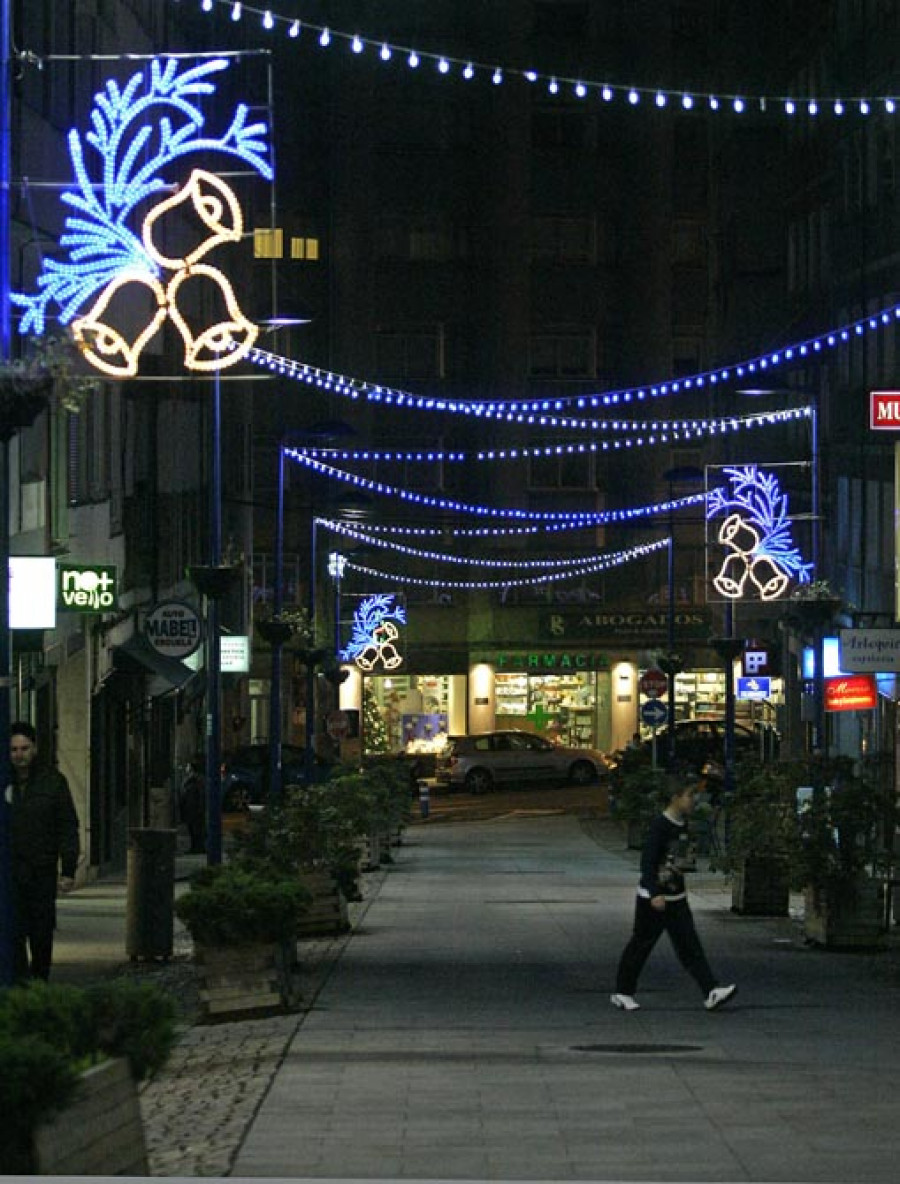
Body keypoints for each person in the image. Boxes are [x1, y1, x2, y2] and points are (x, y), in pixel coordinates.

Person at [611, 780, 737, 1012]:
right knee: (641, 944)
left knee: (689, 944)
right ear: (675, 797)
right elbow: (648, 862)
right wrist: (654, 892)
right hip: (655, 899)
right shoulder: (660, 826)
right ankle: (622, 991)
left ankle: (710, 989)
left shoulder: (683, 825)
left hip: (676, 896)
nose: (693, 801)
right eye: (690, 796)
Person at [9, 721, 80, 982]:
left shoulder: (52, 783)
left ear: (34, 749)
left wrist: (68, 868)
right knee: (13, 930)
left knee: (40, 931)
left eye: (24, 748)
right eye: (14, 749)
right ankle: (18, 981)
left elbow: (67, 825)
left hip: (41, 870)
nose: (19, 755)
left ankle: (39, 980)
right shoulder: (6, 782)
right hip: (11, 872)